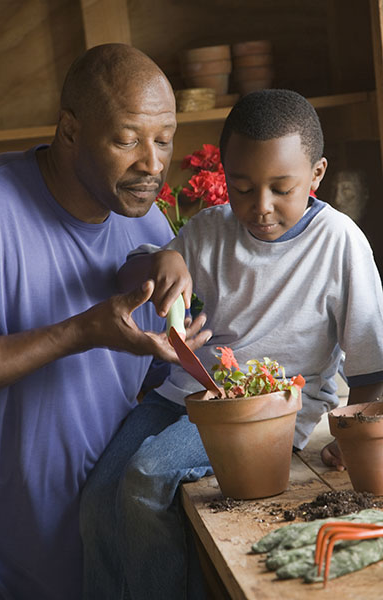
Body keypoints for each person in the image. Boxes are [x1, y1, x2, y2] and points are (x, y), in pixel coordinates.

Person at [80, 89, 383, 599]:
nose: (260, 208)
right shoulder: (208, 230)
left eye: (281, 189)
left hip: (268, 409)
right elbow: (127, 272)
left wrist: (352, 437)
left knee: (147, 476)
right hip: (186, 394)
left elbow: (372, 368)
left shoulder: (340, 242)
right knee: (97, 497)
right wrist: (161, 261)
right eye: (241, 188)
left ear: (316, 174)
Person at [0, 43, 211, 600]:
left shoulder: (149, 225)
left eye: (163, 139)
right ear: (69, 130)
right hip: (8, 564)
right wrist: (79, 332)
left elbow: (151, 395)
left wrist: (181, 332)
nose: (153, 164)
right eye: (126, 139)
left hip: (111, 553)